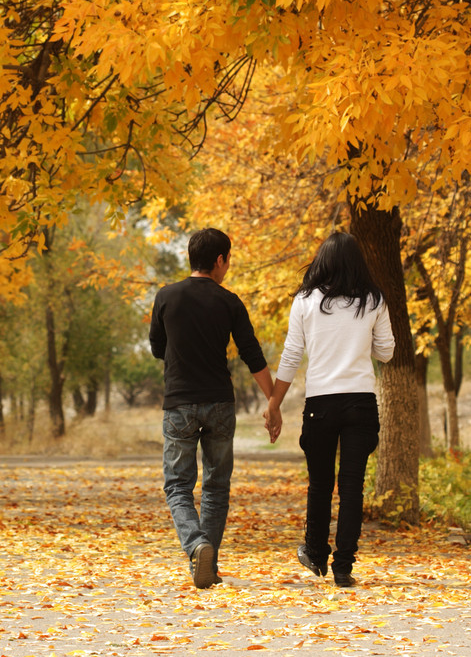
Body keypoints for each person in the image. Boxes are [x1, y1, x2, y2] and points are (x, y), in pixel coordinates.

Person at [264, 230, 395, 588]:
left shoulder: (305, 300)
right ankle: (344, 567)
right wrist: (357, 342)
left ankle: (316, 555)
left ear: (321, 261)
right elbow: (387, 352)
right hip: (360, 401)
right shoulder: (373, 300)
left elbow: (291, 354)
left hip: (320, 402)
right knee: (352, 486)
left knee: (320, 484)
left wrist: (274, 401)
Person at [149, 227, 275, 589]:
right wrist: (272, 400)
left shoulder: (165, 297)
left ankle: (196, 546)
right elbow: (252, 355)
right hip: (220, 402)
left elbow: (158, 347)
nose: (228, 267)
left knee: (177, 485)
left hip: (179, 404)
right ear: (220, 260)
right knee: (216, 487)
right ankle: (208, 563)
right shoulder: (230, 301)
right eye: (228, 260)